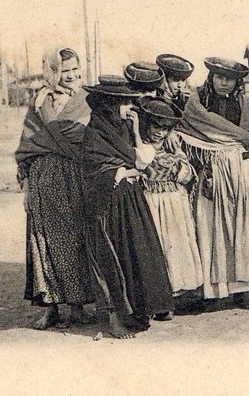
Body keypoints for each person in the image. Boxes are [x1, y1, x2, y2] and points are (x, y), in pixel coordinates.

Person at [175, 57, 249, 307]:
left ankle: (242, 290)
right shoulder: (196, 102)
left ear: (237, 82)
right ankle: (211, 292)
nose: (224, 83)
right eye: (219, 77)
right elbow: (182, 133)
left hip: (240, 172)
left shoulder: (246, 106)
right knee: (210, 229)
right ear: (210, 77)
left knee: (241, 228)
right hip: (209, 171)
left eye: (230, 79)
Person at [82, 75, 174, 339]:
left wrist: (135, 133)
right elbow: (94, 167)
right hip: (109, 203)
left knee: (138, 252)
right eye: (123, 103)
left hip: (130, 200)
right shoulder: (96, 131)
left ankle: (142, 310)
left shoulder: (124, 129)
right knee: (116, 256)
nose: (129, 109)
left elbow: (143, 161)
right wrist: (124, 171)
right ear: (108, 104)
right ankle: (117, 317)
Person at [15, 47, 96, 330]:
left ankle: (77, 308)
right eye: (64, 70)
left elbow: (93, 138)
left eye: (75, 69)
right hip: (44, 178)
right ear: (52, 72)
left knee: (77, 239)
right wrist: (25, 185)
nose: (71, 75)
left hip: (76, 176)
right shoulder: (41, 100)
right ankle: (50, 309)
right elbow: (27, 145)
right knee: (45, 242)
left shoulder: (89, 99)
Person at [137, 97, 203, 318]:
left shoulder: (174, 146)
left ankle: (173, 298)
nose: (159, 132)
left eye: (165, 128)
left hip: (174, 200)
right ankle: (155, 299)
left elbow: (187, 174)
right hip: (150, 200)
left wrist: (176, 165)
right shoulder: (139, 144)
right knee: (155, 246)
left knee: (174, 244)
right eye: (156, 126)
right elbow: (141, 166)